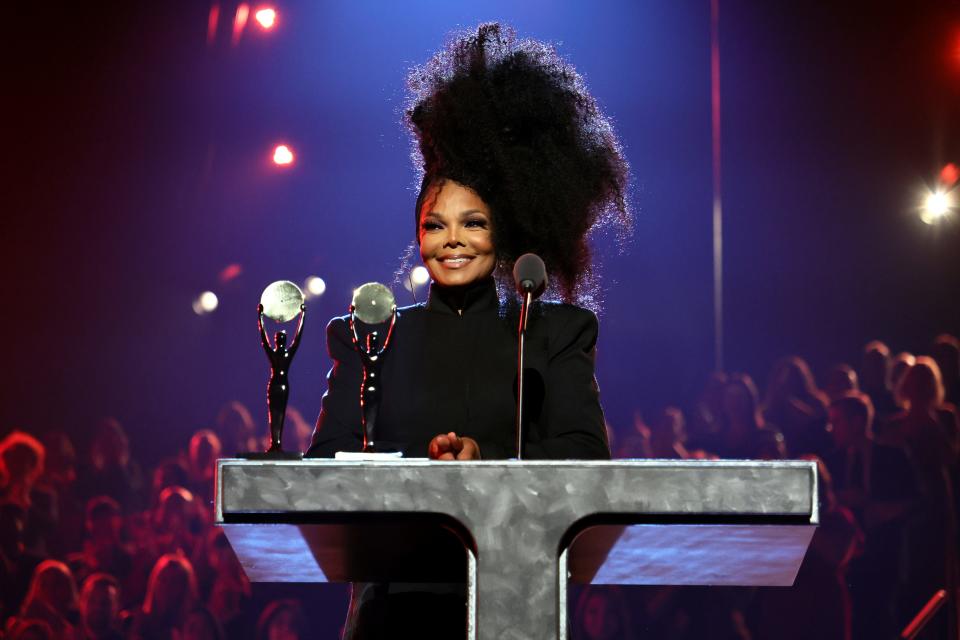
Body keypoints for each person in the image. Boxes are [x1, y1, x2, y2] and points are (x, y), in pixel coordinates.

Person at [306, 21, 630, 639]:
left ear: (503, 230)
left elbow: (588, 466)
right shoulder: (369, 339)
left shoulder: (554, 333)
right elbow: (323, 473)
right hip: (390, 618)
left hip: (514, 610)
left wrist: (490, 468)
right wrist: (414, 477)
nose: (451, 239)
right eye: (434, 225)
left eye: (472, 222)